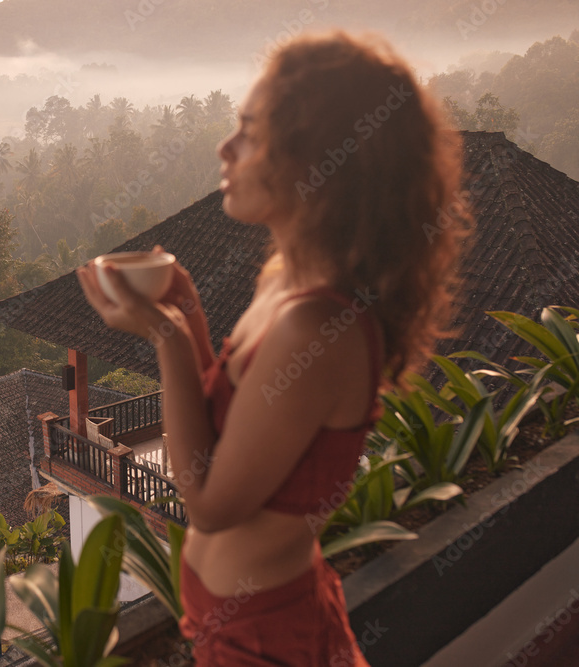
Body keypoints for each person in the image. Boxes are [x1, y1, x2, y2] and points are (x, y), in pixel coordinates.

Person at [76, 31, 470, 666]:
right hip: (240, 623)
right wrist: (190, 314)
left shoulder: (319, 328)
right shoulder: (287, 280)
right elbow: (228, 433)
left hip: (266, 641)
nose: (224, 148)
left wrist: (165, 335)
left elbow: (208, 503)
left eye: (250, 133)